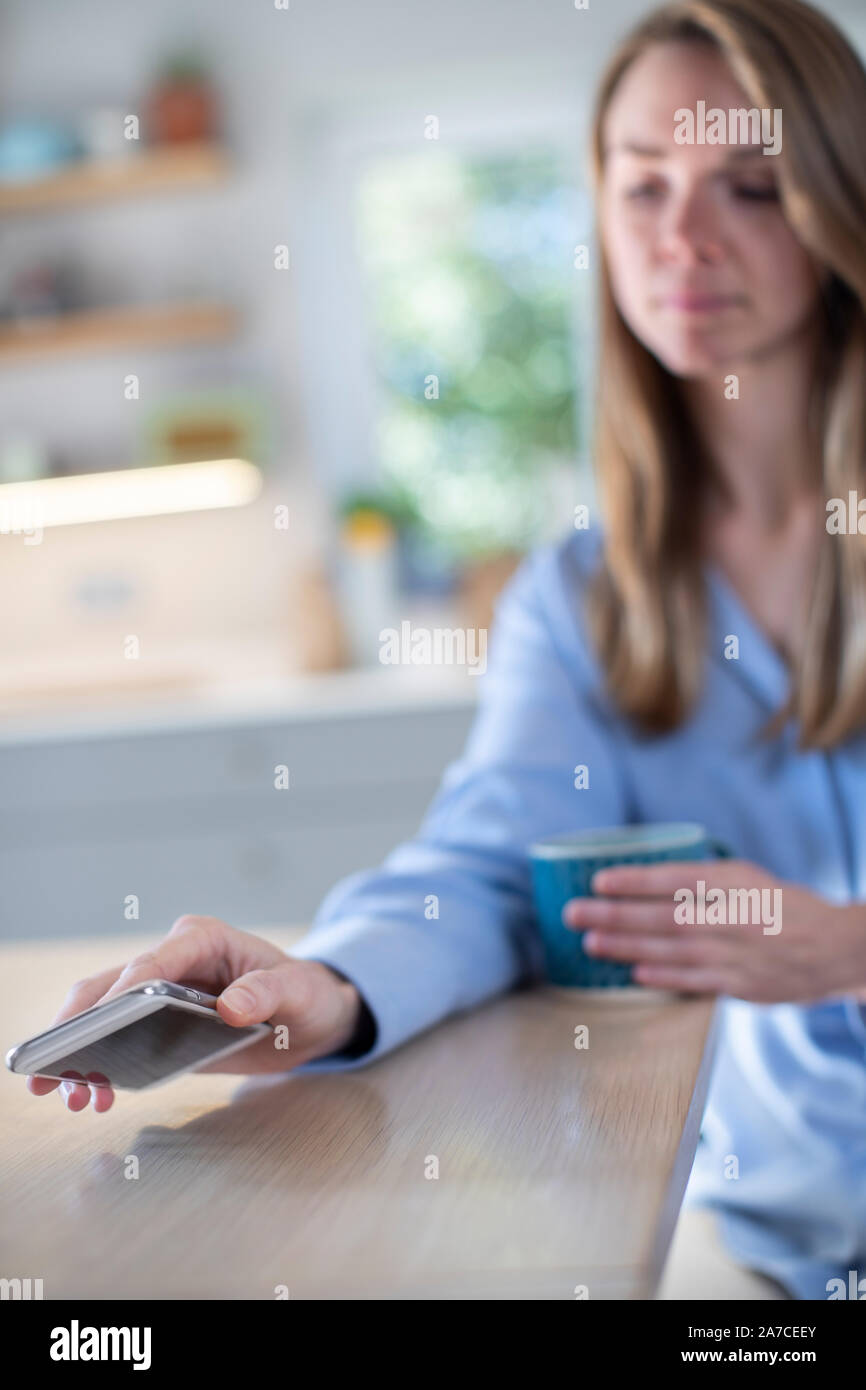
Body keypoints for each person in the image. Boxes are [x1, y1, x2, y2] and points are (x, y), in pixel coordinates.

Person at [28, 0, 866, 1301]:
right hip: (781, 1248)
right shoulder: (579, 598)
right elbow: (484, 868)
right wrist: (322, 983)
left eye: (746, 187)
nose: (681, 237)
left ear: (834, 203)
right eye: (640, 183)